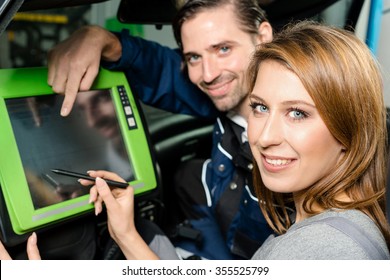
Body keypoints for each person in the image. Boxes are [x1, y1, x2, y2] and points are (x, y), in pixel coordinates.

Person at [6, 21, 389, 260]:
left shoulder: (322, 251)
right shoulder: (319, 226)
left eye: (298, 113)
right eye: (258, 108)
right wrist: (125, 233)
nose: (265, 137)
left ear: (350, 127)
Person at [46, 0, 275, 260]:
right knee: (185, 177)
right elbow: (164, 71)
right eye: (194, 57)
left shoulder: (294, 143)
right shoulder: (230, 93)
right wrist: (102, 39)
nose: (208, 75)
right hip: (225, 243)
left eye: (223, 49)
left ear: (263, 37)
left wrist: (128, 237)